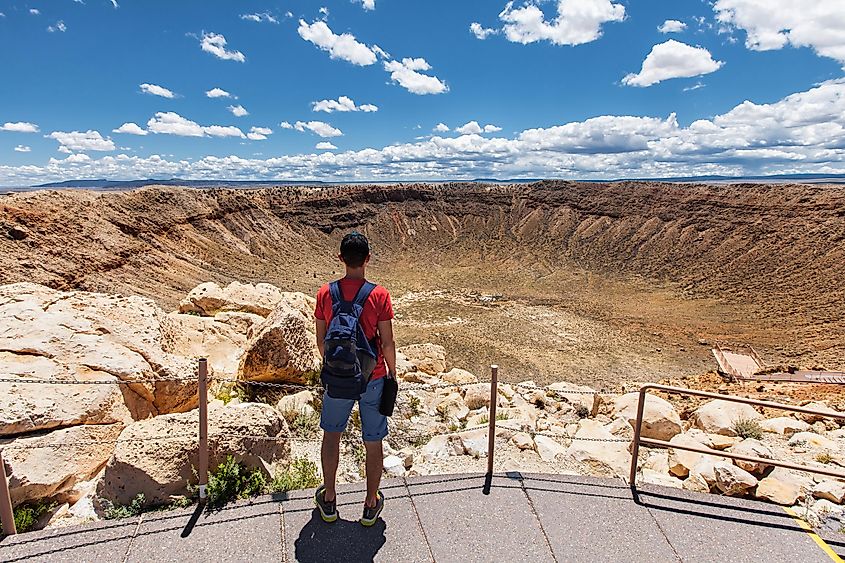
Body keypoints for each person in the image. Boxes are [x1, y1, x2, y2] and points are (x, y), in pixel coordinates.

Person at [313, 232, 396, 527]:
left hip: (337, 378)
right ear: (368, 259)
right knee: (373, 441)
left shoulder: (326, 293)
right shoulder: (379, 295)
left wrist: (334, 366)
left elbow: (322, 340)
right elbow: (386, 343)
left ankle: (331, 497)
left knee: (331, 435)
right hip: (371, 378)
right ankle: (371, 502)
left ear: (341, 259)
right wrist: (391, 374)